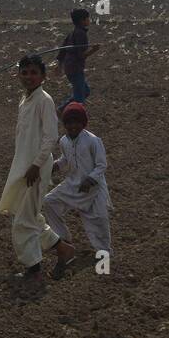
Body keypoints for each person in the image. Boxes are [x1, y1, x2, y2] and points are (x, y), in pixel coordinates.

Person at [0, 55, 75, 281]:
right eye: (25, 72)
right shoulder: (25, 100)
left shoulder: (44, 100)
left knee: (23, 220)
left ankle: (33, 267)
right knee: (29, 216)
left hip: (35, 168)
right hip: (23, 166)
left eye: (33, 72)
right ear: (18, 75)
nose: (29, 77)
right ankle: (63, 249)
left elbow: (50, 138)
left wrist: (36, 166)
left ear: (43, 76)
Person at [43, 103, 111, 280]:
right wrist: (55, 166)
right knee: (49, 202)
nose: (73, 126)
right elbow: (66, 159)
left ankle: (104, 265)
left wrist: (90, 180)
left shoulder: (93, 140)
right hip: (73, 185)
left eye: (77, 122)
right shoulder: (64, 141)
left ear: (83, 123)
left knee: (99, 225)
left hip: (93, 189)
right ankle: (65, 241)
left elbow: (101, 164)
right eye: (69, 123)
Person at [55, 8, 100, 108]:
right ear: (82, 20)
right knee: (80, 97)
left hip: (69, 67)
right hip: (75, 68)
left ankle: (62, 109)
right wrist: (94, 50)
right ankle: (74, 115)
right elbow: (81, 55)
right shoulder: (81, 34)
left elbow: (62, 50)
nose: (89, 20)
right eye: (87, 18)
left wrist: (59, 65)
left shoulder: (72, 33)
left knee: (85, 91)